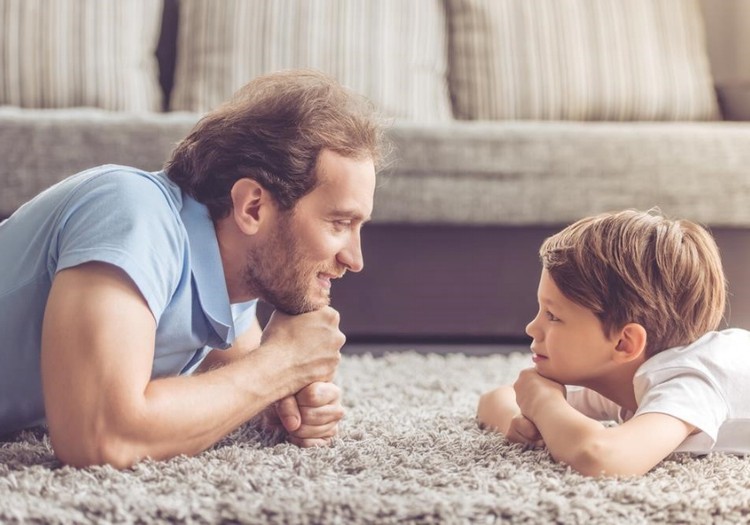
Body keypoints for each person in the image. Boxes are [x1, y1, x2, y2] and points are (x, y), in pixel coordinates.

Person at [0, 70, 386, 468]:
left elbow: (244, 375)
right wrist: (282, 364)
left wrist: (285, 400)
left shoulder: (228, 281)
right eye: (339, 224)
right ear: (253, 207)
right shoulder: (130, 212)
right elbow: (98, 437)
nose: (354, 260)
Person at [477, 209, 750, 477]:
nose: (531, 328)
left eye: (553, 316)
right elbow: (493, 399)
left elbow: (600, 458)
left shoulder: (688, 382)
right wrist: (520, 419)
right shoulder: (623, 378)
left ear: (624, 344)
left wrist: (544, 403)